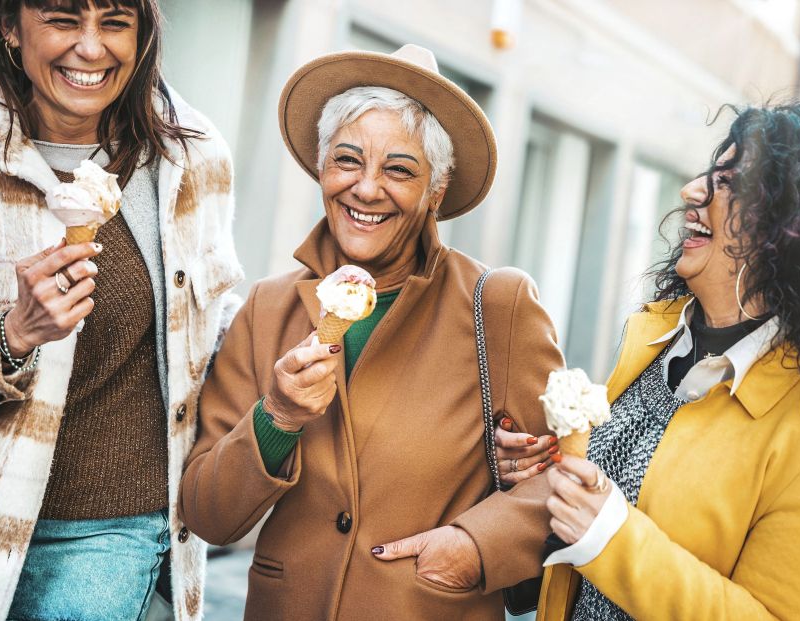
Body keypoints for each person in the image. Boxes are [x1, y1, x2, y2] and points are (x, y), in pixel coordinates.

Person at [178, 44, 561, 620]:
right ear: (322, 166)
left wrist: (474, 548)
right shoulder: (267, 306)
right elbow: (207, 513)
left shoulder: (498, 305)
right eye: (348, 160)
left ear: (437, 190)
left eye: (400, 170)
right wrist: (277, 417)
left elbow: (557, 477)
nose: (366, 188)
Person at [526, 102, 800, 620]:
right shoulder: (656, 336)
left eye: (728, 183)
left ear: (794, 231)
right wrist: (545, 469)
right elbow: (616, 496)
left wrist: (612, 538)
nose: (692, 191)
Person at [0, 1, 242, 619]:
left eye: (115, 21)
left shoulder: (190, 156)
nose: (91, 49)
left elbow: (214, 333)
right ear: (11, 27)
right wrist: (11, 336)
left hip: (115, 528)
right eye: (63, 19)